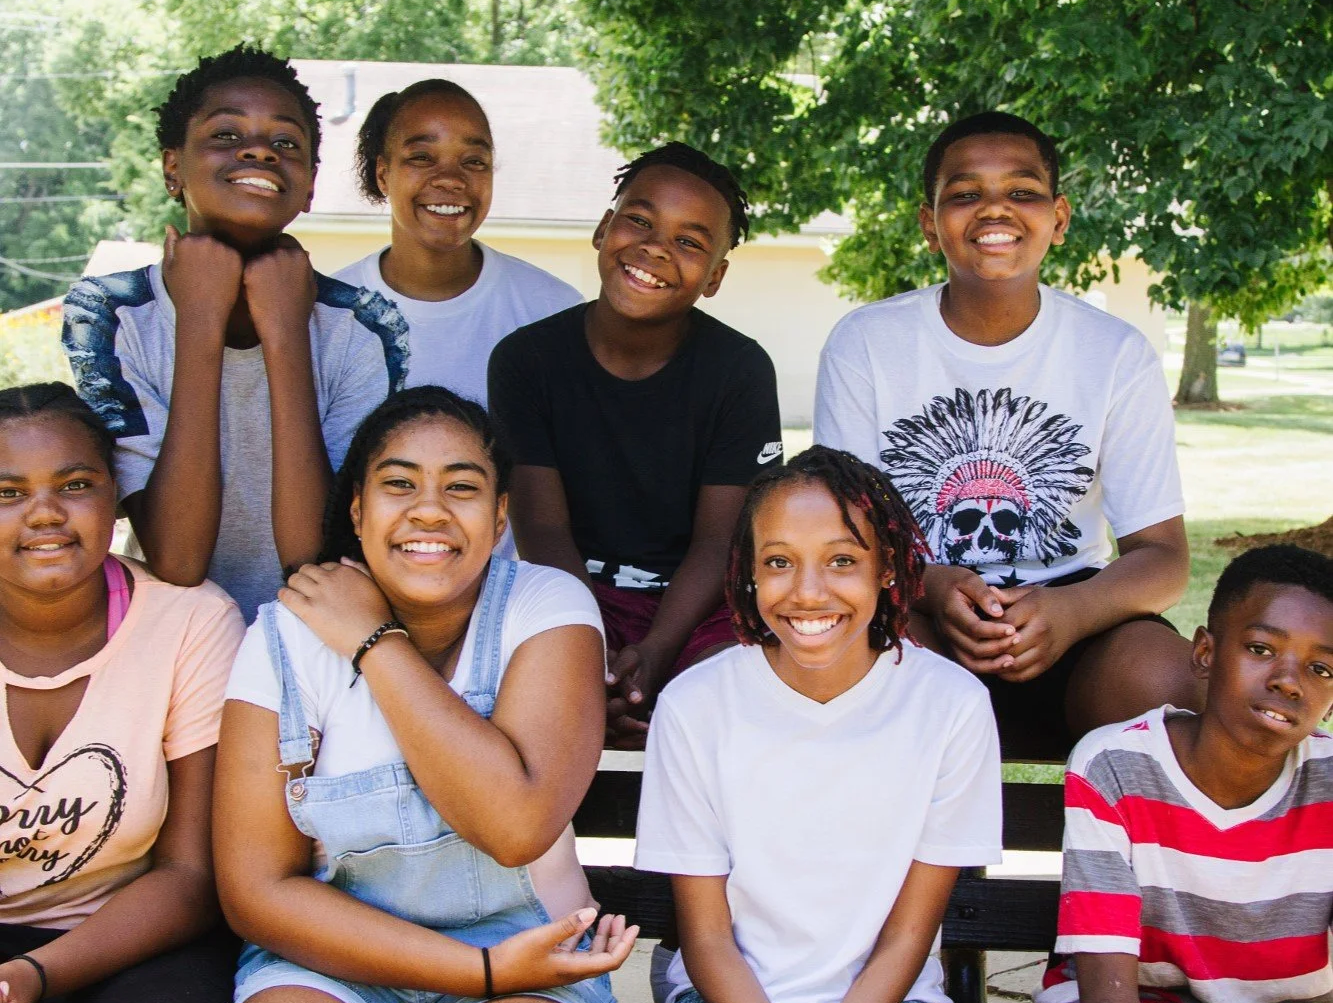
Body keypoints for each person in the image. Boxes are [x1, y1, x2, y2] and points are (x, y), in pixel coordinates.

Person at [188, 386, 637, 1003]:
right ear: (357, 509)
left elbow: (514, 825)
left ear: (500, 517)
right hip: (332, 968)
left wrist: (374, 640)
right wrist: (471, 969)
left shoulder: (544, 608)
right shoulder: (283, 637)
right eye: (399, 484)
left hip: (529, 966)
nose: (430, 509)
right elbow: (257, 889)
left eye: (461, 487)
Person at [634, 446, 1002, 1003]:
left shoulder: (947, 706)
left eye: (840, 560)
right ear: (745, 573)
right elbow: (706, 937)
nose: (807, 592)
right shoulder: (697, 706)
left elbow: (907, 937)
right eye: (778, 562)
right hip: (728, 1002)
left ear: (888, 569)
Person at [813, 111, 1202, 753]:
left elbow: (1163, 557)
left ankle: (1131, 822)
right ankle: (912, 823)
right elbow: (841, 535)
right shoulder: (867, 344)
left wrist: (1072, 612)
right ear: (930, 224)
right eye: (965, 193)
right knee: (865, 661)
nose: (995, 209)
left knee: (1167, 678)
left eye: (1022, 191)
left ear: (1060, 218)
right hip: (916, 598)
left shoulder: (1115, 352)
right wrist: (930, 586)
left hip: (1075, 610)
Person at [1013, 545, 1333, 1003]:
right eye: (1261, 649)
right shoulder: (1116, 765)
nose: (1289, 680)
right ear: (1205, 653)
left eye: (1320, 668)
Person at [0, 383, 244, 1003]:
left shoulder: (189, 622)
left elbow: (192, 875)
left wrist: (32, 975)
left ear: (116, 495)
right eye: (8, 491)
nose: (45, 514)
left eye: (74, 484)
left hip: (132, 939)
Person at [63, 45, 407, 623]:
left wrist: (287, 333)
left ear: (310, 185)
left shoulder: (364, 327)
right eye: (226, 134)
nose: (259, 151)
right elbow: (178, 559)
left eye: (286, 142)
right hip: (175, 638)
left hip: (317, 637)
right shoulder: (112, 316)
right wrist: (200, 318)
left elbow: (311, 559)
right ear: (172, 168)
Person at [489, 142, 783, 749]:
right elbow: (542, 529)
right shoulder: (527, 360)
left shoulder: (740, 370)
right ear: (604, 229)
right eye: (640, 220)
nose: (656, 248)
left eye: (689, 241)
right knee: (529, 685)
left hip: (699, 605)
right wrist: (590, 653)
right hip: (568, 592)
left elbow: (720, 541)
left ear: (715, 277)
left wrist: (653, 653)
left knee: (734, 691)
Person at [336, 77, 581, 405]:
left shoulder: (554, 312)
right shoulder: (329, 314)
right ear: (383, 175)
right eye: (422, 157)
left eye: (474, 161)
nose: (451, 179)